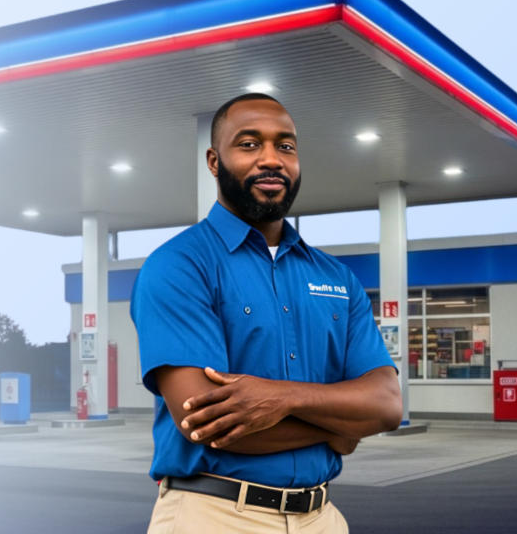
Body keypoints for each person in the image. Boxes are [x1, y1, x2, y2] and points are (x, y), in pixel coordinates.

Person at [129, 93, 402, 533]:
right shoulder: (180, 266)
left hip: (322, 518)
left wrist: (282, 398)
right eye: (250, 144)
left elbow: (386, 405)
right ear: (214, 161)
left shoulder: (337, 277)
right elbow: (205, 423)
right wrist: (341, 429)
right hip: (214, 516)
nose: (272, 159)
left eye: (286, 146)